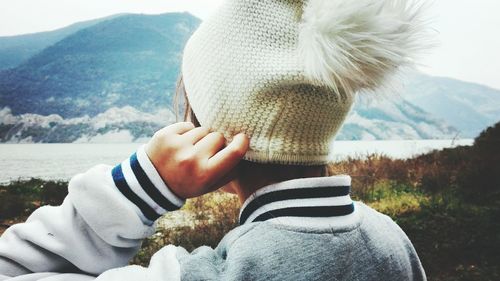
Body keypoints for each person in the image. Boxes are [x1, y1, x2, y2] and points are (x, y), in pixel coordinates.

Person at [0, 0, 431, 280]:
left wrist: (146, 184)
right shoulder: (391, 241)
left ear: (209, 124)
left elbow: (12, 269)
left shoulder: (211, 274)